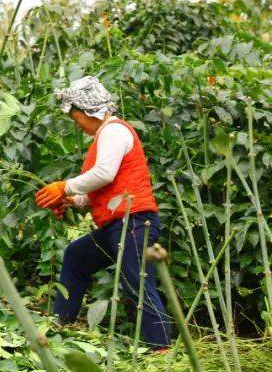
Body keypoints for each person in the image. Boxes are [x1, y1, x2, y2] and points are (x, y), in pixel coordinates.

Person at [34, 76, 172, 349]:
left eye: (76, 118)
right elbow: (103, 189)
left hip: (135, 221)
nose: (76, 124)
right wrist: (72, 200)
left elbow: (104, 175)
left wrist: (64, 187)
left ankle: (162, 349)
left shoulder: (114, 131)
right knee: (77, 256)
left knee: (136, 282)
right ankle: (61, 325)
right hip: (116, 225)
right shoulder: (104, 136)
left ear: (88, 111)